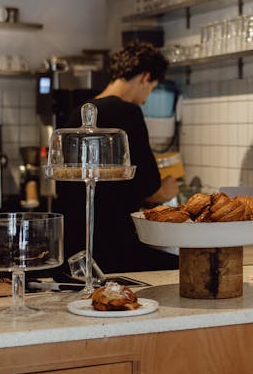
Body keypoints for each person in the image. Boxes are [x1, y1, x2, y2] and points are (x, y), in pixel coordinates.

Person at [55, 41, 180, 274]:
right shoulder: (128, 112)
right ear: (145, 77)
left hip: (76, 250)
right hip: (116, 249)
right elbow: (150, 187)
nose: (145, 98)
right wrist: (168, 190)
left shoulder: (78, 113)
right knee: (185, 268)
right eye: (151, 88)